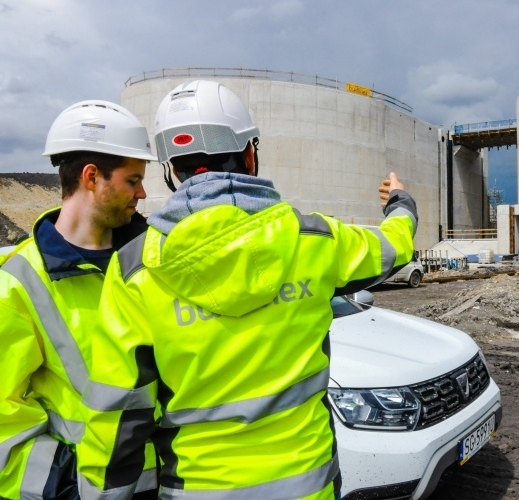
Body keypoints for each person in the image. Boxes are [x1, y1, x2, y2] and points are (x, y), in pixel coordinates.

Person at [77, 80, 418, 499]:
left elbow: (117, 419)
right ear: (250, 153)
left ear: (171, 171)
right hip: (307, 486)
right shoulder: (313, 238)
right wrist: (400, 203)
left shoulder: (135, 270)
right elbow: (394, 247)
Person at [0, 101, 160, 499]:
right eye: (132, 180)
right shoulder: (18, 283)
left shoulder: (154, 259)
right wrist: (71, 486)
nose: (142, 192)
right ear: (92, 177)